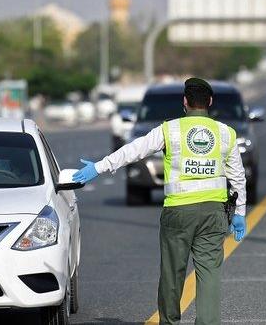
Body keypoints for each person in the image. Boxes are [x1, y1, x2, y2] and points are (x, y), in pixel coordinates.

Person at [72, 77, 247, 325]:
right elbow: (238, 176)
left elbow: (134, 150)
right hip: (213, 213)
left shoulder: (170, 130)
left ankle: (170, 322)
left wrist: (99, 168)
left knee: (172, 275)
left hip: (178, 212)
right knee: (209, 274)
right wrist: (239, 212)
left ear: (185, 102)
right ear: (209, 102)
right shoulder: (226, 134)